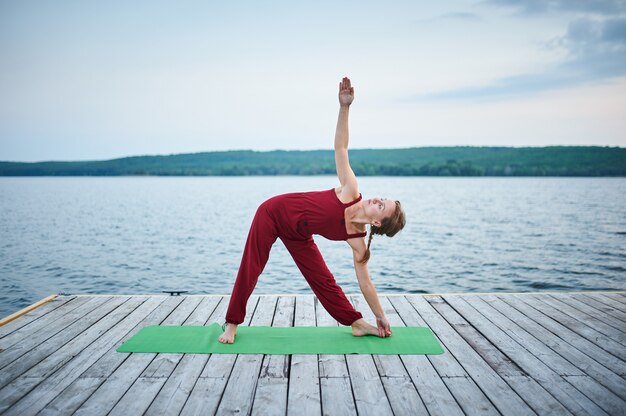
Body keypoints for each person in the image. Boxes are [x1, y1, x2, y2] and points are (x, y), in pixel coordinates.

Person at [218, 77, 406, 344]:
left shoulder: (357, 241)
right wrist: (345, 107)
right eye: (381, 198)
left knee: (323, 280)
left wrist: (381, 315)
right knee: (252, 266)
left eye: (381, 205)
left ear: (377, 223)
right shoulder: (350, 190)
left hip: (298, 235)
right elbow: (341, 147)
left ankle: (357, 323)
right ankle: (232, 324)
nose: (376, 199)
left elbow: (366, 283)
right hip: (272, 214)